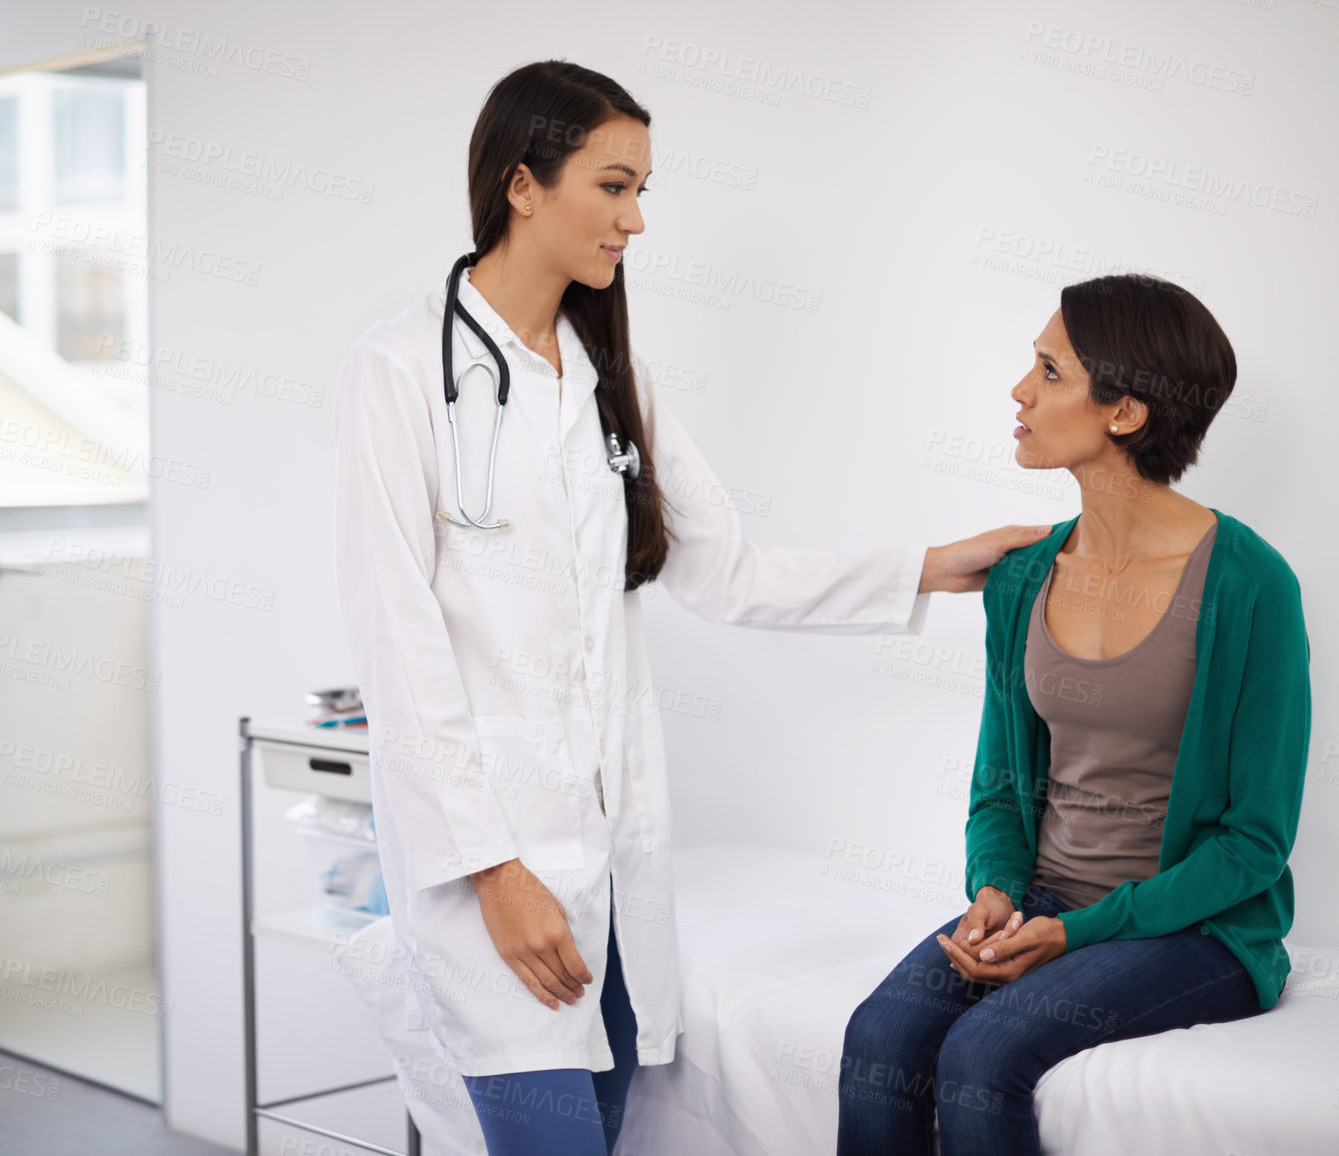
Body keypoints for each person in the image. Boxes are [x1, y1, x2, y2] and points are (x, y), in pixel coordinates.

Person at [333, 59, 1049, 1156]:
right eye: (614, 187)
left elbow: (731, 573)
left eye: (643, 190)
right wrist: (493, 869)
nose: (637, 219)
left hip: (614, 880)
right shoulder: (398, 372)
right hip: (494, 882)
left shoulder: (616, 380)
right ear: (523, 186)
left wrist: (931, 564)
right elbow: (401, 648)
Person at [837, 273, 1313, 1156]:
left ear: (1124, 412)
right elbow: (999, 788)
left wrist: (1079, 934)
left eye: (1050, 373)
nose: (1021, 392)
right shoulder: (1023, 577)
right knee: (879, 1039)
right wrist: (994, 895)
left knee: (982, 1057)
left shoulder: (1250, 586)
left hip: (1196, 930)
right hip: (1044, 900)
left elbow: (1255, 842)